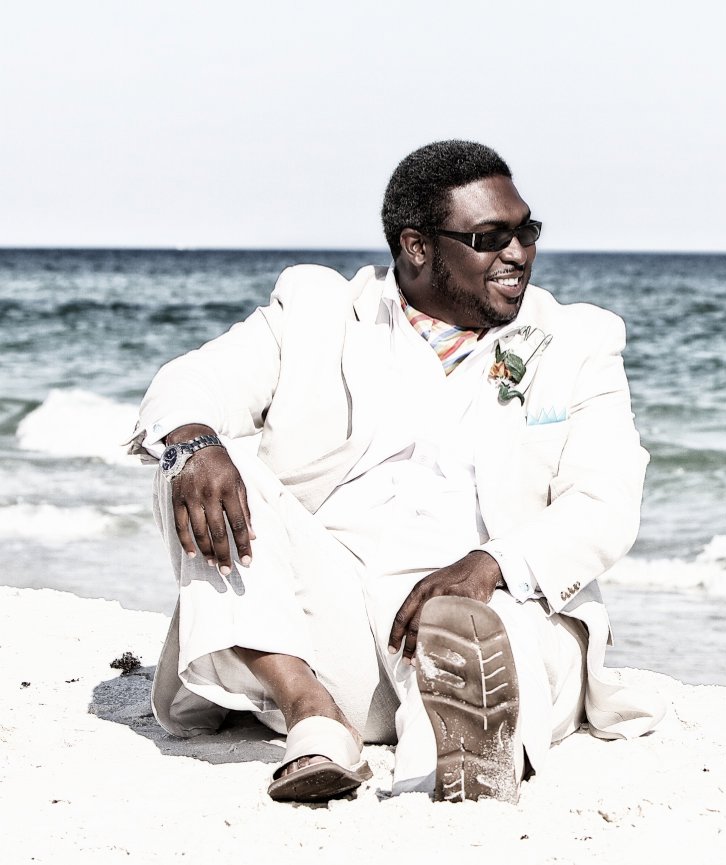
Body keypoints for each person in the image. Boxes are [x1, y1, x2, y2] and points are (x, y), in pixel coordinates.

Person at [129, 140, 665, 803]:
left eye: (526, 230)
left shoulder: (577, 341)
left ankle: (462, 753)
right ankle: (313, 715)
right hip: (337, 621)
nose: (518, 251)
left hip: (495, 603)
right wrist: (193, 438)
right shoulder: (320, 309)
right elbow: (192, 380)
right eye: (489, 237)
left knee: (495, 632)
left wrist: (491, 563)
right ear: (417, 246)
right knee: (197, 455)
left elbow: (605, 501)